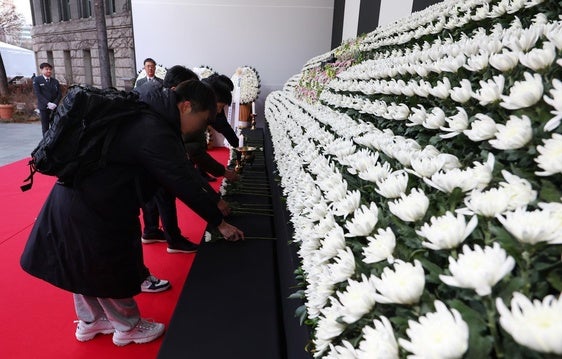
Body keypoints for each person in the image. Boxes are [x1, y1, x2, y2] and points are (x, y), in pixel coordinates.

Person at [20, 79, 245, 346]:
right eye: (204, 119)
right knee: (107, 268)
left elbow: (178, 171)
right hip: (97, 206)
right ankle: (128, 327)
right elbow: (180, 178)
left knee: (82, 265)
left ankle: (90, 321)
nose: (204, 127)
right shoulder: (154, 128)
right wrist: (218, 221)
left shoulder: (144, 109)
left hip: (74, 197)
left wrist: (212, 204)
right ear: (186, 107)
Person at [33, 62, 62, 135]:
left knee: (55, 126)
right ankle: (46, 143)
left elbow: (59, 94)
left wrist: (55, 104)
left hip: (54, 108)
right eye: (46, 69)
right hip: (44, 107)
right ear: (41, 70)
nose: (49, 71)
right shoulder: (37, 80)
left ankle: (54, 142)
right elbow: (38, 94)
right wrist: (48, 103)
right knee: (45, 127)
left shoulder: (55, 81)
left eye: (50, 69)